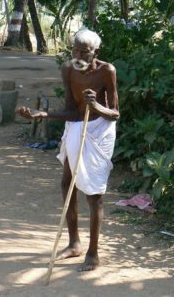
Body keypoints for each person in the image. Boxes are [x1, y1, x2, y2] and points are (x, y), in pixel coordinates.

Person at [16, 29, 119, 272]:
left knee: (94, 194)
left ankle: (93, 252)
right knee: (67, 182)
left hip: (100, 129)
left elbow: (114, 113)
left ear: (96, 52)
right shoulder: (68, 69)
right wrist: (44, 114)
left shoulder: (107, 71)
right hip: (76, 126)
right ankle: (74, 243)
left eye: (85, 51)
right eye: (75, 49)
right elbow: (72, 111)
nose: (79, 55)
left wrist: (97, 106)